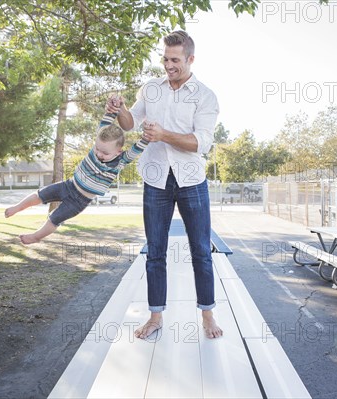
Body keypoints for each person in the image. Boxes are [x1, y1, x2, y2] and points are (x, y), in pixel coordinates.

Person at [106, 30, 222, 339]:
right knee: (155, 251)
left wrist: (164, 134)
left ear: (190, 59)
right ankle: (155, 316)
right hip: (155, 180)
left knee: (201, 250)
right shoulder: (151, 89)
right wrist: (120, 111)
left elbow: (201, 143)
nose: (168, 65)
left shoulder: (205, 96)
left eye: (175, 60)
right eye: (165, 59)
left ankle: (207, 314)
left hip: (191, 181)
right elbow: (131, 124)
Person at [5, 112, 148, 244]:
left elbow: (136, 150)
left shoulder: (120, 161)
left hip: (79, 201)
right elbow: (104, 125)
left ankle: (36, 237)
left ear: (118, 151)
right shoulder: (96, 148)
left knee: (55, 218)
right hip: (68, 185)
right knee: (41, 194)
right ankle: (17, 207)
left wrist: (146, 138)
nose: (99, 154)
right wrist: (111, 111)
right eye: (97, 149)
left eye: (105, 153)